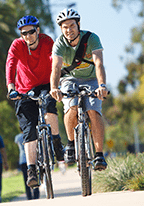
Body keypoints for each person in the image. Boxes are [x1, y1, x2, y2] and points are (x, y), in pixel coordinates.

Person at [6, 15, 65, 188]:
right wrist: (11, 88)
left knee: (49, 109)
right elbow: (10, 65)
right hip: (23, 90)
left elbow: (55, 62)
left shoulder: (47, 41)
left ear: (37, 30)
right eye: (24, 33)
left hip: (46, 84)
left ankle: (56, 143)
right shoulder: (17, 45)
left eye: (31, 32)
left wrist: (57, 83)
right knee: (29, 130)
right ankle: (32, 170)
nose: (28, 36)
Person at [49, 8, 108, 171]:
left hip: (91, 79)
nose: (69, 30)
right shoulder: (59, 43)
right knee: (71, 106)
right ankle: (70, 144)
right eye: (65, 27)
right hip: (69, 79)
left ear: (78, 24)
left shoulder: (92, 38)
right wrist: (54, 88)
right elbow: (56, 67)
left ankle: (99, 155)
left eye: (72, 25)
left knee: (93, 111)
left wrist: (102, 85)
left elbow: (99, 64)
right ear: (61, 29)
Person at [14, 129, 39, 200]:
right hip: (33, 158)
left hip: (23, 159)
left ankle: (29, 196)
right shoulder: (32, 134)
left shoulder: (18, 137)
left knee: (26, 178)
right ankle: (36, 194)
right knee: (34, 175)